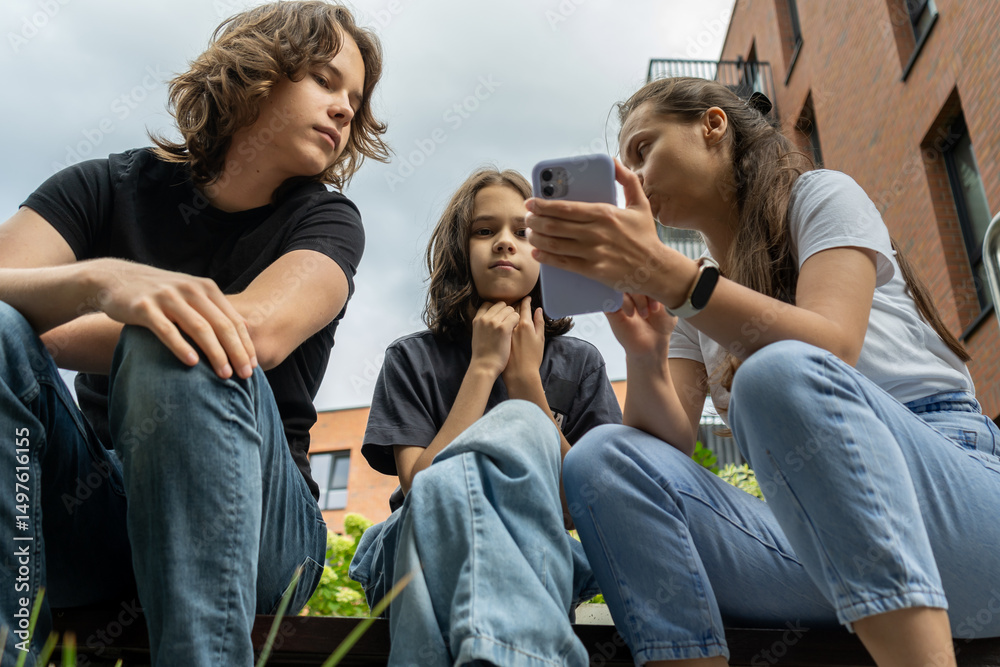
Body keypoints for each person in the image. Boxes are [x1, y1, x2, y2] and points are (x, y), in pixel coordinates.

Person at [525, 76, 1000, 667]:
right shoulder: (695, 295)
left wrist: (675, 281)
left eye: (644, 149)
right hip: (821, 543)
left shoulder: (820, 196)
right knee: (601, 457)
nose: (635, 180)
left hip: (965, 513)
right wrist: (644, 351)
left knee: (776, 372)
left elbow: (831, 346)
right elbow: (662, 447)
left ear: (713, 125)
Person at [0, 2, 388, 664]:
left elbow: (253, 333)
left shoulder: (327, 222)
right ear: (258, 70)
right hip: (98, 513)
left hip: (263, 531)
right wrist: (104, 283)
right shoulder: (103, 186)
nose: (347, 109)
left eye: (355, 97)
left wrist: (95, 319)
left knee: (183, 337)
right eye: (325, 80)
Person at [349, 168, 622, 666]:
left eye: (523, 233)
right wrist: (483, 369)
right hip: (415, 546)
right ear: (459, 249)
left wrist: (526, 388)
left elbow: (586, 509)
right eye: (484, 230)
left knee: (520, 424)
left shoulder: (581, 365)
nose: (504, 243)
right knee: (501, 441)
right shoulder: (411, 360)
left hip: (533, 554)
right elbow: (422, 489)